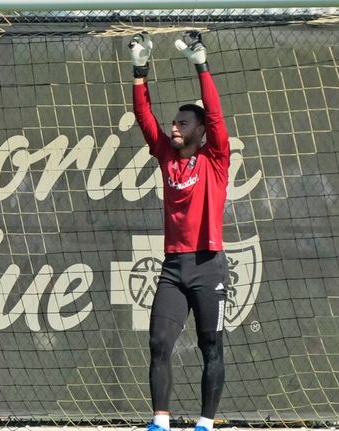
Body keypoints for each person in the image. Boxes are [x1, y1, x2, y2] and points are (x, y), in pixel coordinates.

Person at [129, 32, 230, 431]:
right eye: (173, 122)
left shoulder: (216, 158)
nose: (174, 126)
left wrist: (200, 63)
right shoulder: (166, 155)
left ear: (201, 130)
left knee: (211, 348)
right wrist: (140, 70)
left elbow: (217, 114)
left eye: (183, 122)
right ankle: (160, 421)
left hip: (209, 266)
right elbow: (143, 116)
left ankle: (205, 423)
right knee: (158, 344)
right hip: (174, 268)